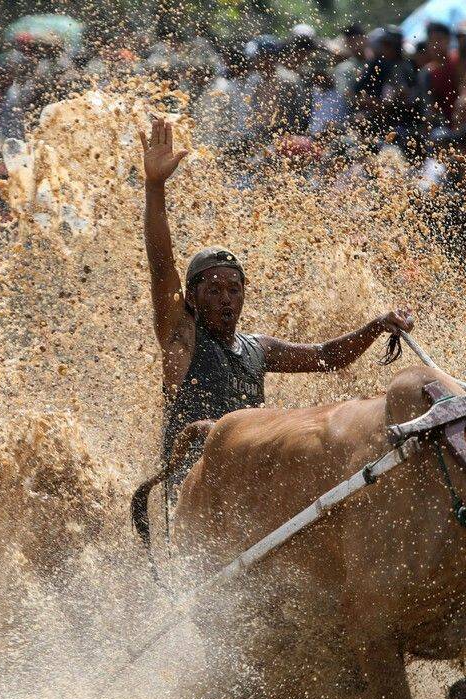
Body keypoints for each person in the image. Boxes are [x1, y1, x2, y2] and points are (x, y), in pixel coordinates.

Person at [137, 119, 414, 459]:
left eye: (234, 289)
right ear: (192, 298)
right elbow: (162, 265)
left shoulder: (257, 349)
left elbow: (326, 357)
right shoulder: (182, 337)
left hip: (248, 489)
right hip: (191, 490)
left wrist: (376, 326)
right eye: (214, 290)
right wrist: (154, 186)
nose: (226, 298)